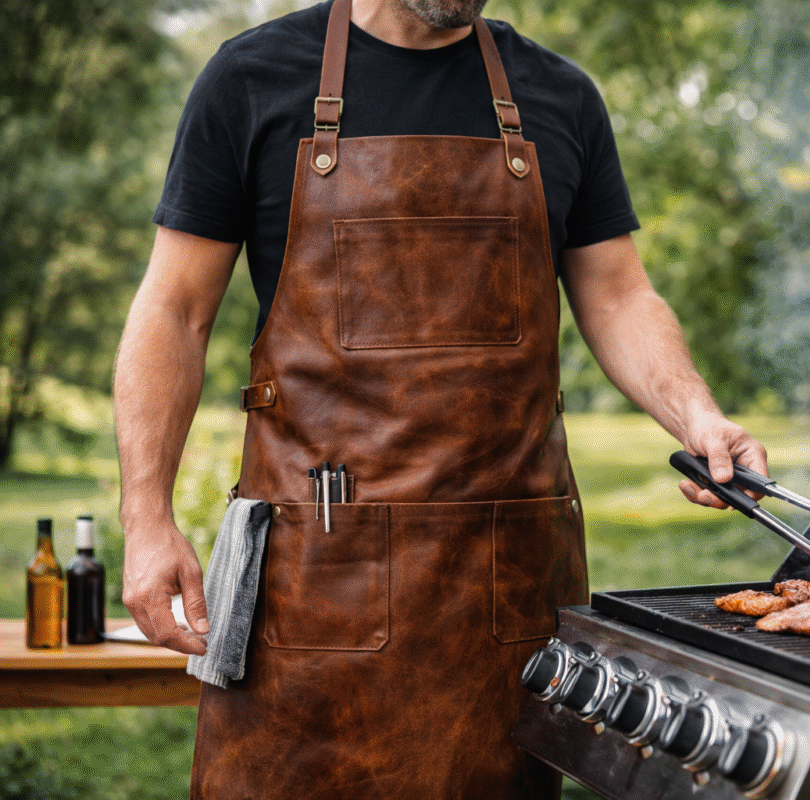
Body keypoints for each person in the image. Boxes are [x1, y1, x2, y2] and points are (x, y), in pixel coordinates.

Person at [113, 0, 767, 797]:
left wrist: (698, 415)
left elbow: (620, 296)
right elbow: (174, 311)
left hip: (504, 602)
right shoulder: (251, 79)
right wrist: (146, 518)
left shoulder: (558, 96)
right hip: (314, 586)